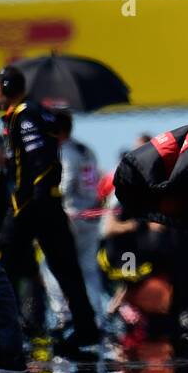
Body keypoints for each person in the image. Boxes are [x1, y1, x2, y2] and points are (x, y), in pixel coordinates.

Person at [0, 64, 102, 355]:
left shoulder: (25, 115)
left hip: (32, 206)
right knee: (68, 269)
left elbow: (39, 161)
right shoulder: (36, 114)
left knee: (1, 264)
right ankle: (86, 327)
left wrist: (29, 204)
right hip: (53, 207)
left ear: (6, 89)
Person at [56, 108, 107, 319]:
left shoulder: (65, 150)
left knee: (54, 266)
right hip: (91, 214)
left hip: (73, 215)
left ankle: (62, 316)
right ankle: (97, 316)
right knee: (88, 268)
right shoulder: (86, 149)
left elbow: (66, 185)